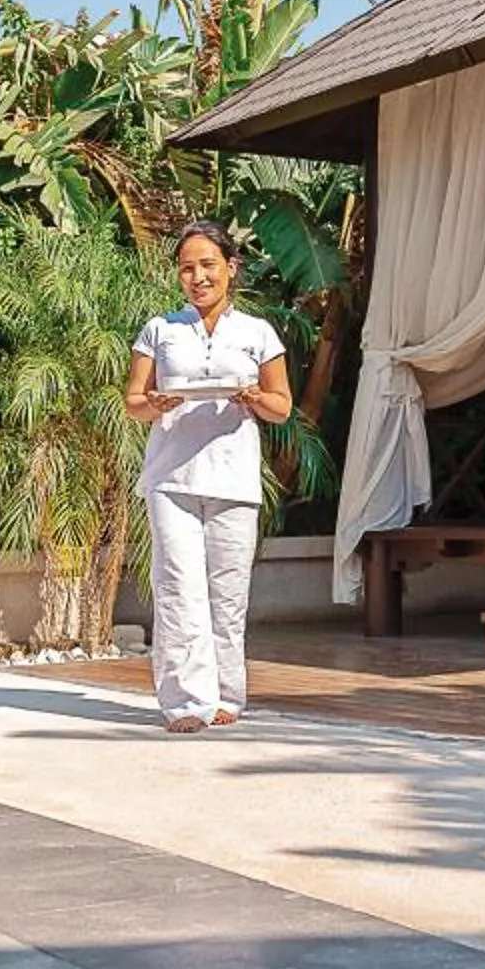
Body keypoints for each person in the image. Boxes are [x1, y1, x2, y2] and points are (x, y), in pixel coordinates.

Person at [124, 222, 293, 733]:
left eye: (208, 266)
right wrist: (154, 403)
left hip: (234, 480)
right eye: (187, 268)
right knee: (178, 588)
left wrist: (253, 398)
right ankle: (184, 703)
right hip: (170, 479)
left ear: (230, 269)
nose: (197, 277)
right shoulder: (160, 330)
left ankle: (226, 697)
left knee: (227, 591)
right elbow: (134, 402)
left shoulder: (258, 333)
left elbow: (281, 407)